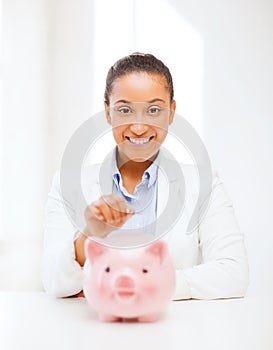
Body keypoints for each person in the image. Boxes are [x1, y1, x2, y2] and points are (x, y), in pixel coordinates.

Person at [42, 53, 249, 299]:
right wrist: (89, 235)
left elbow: (234, 273)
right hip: (96, 332)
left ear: (171, 112)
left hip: (174, 332)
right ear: (108, 112)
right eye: (125, 110)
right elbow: (54, 282)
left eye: (153, 110)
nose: (139, 127)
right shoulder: (67, 183)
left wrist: (143, 283)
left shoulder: (204, 182)